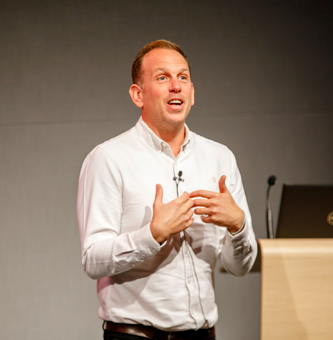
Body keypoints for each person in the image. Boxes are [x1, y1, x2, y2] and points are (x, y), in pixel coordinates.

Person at [77, 39, 257, 340]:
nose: (176, 86)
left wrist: (239, 226)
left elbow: (239, 268)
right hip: (135, 335)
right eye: (163, 77)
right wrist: (153, 234)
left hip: (202, 334)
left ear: (193, 93)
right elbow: (93, 259)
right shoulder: (108, 158)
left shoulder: (220, 157)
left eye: (183, 77)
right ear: (138, 94)